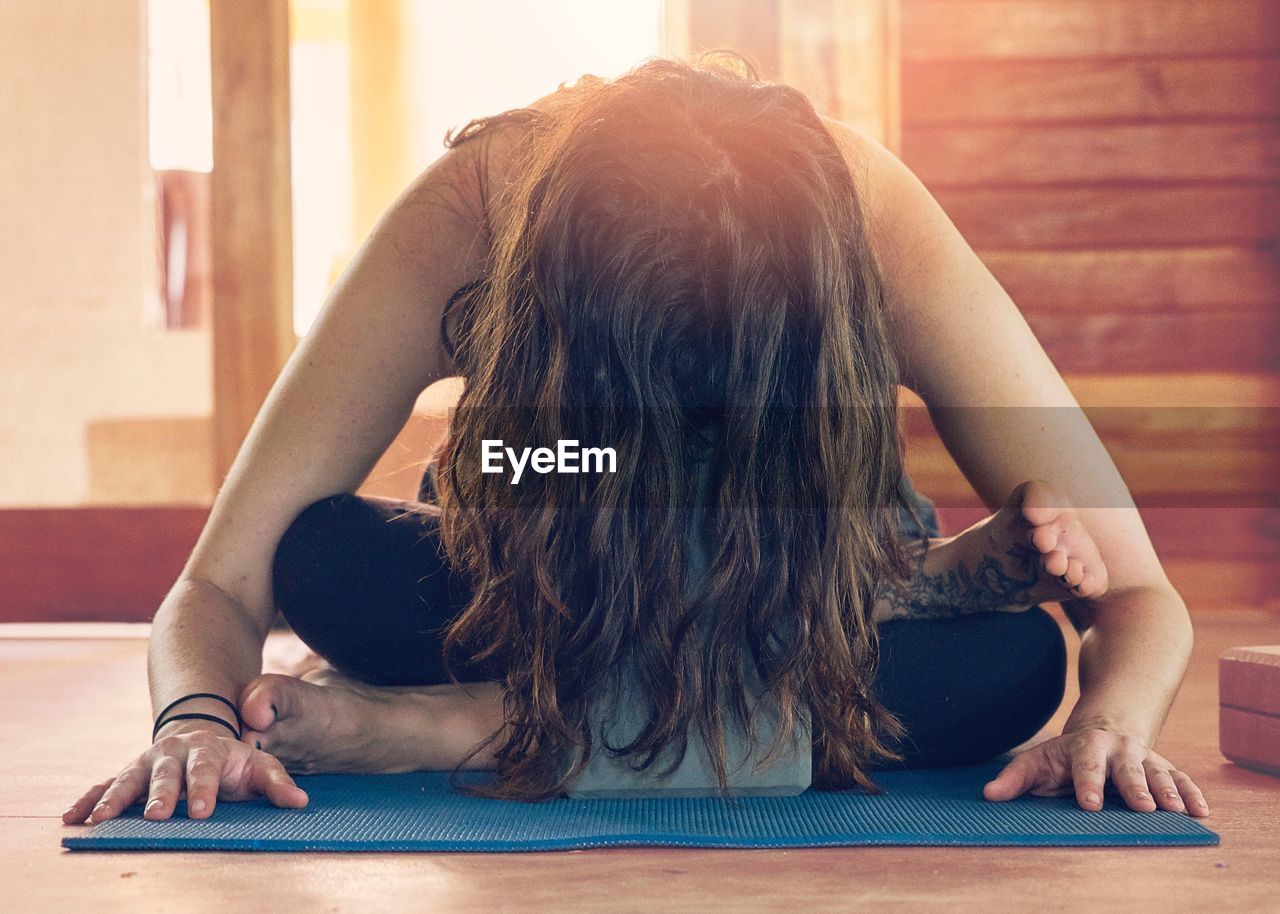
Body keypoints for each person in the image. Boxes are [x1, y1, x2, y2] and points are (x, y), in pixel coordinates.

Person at [64, 54, 1207, 824]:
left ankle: (487, 727)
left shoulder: (871, 222)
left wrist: (1107, 725)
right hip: (558, 555)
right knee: (322, 554)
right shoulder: (468, 218)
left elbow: (1138, 594)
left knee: (1011, 667)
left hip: (786, 585)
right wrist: (198, 719)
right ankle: (898, 587)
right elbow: (222, 580)